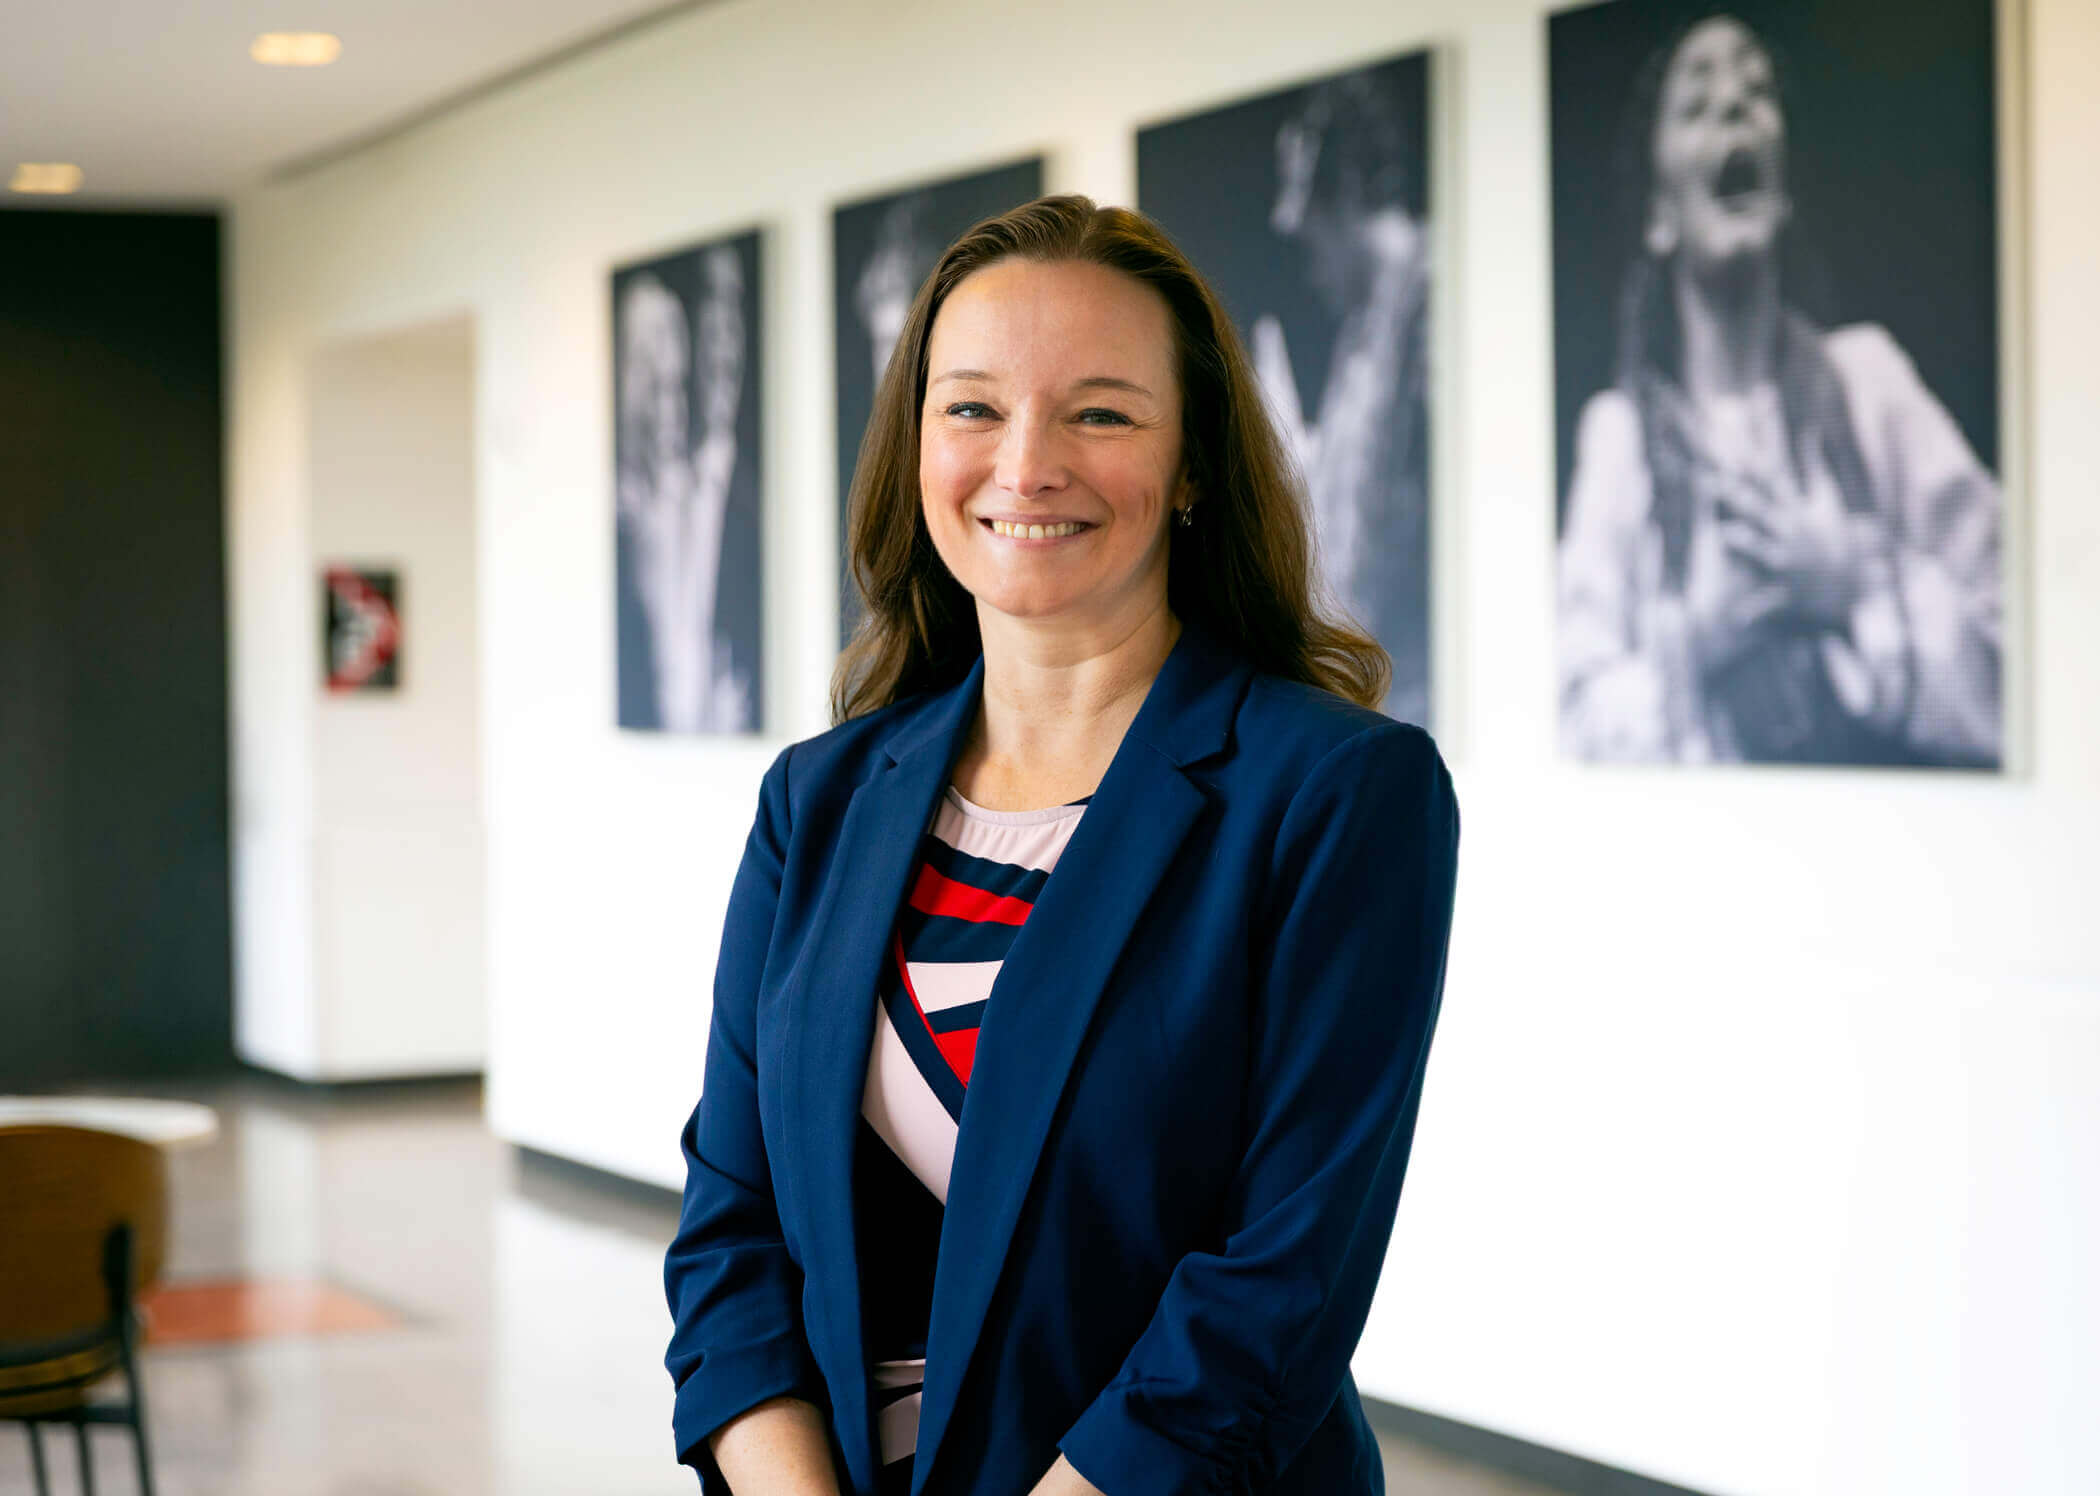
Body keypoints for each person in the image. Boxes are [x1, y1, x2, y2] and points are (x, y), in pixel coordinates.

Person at [663, 194, 1460, 1496]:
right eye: (974, 407)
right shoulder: (817, 801)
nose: (1026, 464)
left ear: (1193, 464)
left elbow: (1275, 1291)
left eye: (1100, 413)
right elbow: (730, 1237)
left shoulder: (1336, 794)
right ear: (917, 445)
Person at [1557, 12, 2001, 766]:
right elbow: (1569, 721)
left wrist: (1852, 582)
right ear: (1660, 216)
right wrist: (1700, 639)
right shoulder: (1621, 438)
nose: (1735, 104)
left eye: (1756, 90)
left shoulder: (1868, 383)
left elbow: (2028, 650)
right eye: (1697, 104)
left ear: (1784, 190)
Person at [1250, 67, 1432, 725]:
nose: (1306, 254)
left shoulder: (1427, 309)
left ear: (1349, 190)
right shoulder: (1366, 328)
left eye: (1312, 222)